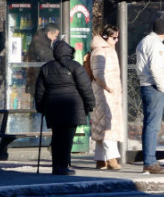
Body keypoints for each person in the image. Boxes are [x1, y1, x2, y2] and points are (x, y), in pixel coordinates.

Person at [34, 39, 95, 175]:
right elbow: (85, 87)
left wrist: (40, 107)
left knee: (57, 137)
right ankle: (63, 166)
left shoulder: (46, 68)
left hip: (53, 107)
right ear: (69, 52)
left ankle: (56, 166)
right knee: (67, 138)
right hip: (72, 107)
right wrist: (90, 104)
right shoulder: (75, 66)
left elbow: (39, 91)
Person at [135, 18, 164, 174]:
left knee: (148, 125)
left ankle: (148, 160)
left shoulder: (143, 42)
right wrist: (163, 87)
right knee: (153, 126)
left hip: (145, 85)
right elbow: (156, 68)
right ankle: (150, 162)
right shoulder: (157, 45)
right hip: (154, 87)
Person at [89, 25, 123, 170]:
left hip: (108, 94)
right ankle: (111, 158)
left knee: (102, 126)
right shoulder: (100, 51)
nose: (116, 40)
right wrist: (109, 87)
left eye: (117, 37)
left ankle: (100, 159)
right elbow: (98, 73)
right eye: (114, 37)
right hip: (104, 94)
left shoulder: (107, 50)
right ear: (105, 37)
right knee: (108, 127)